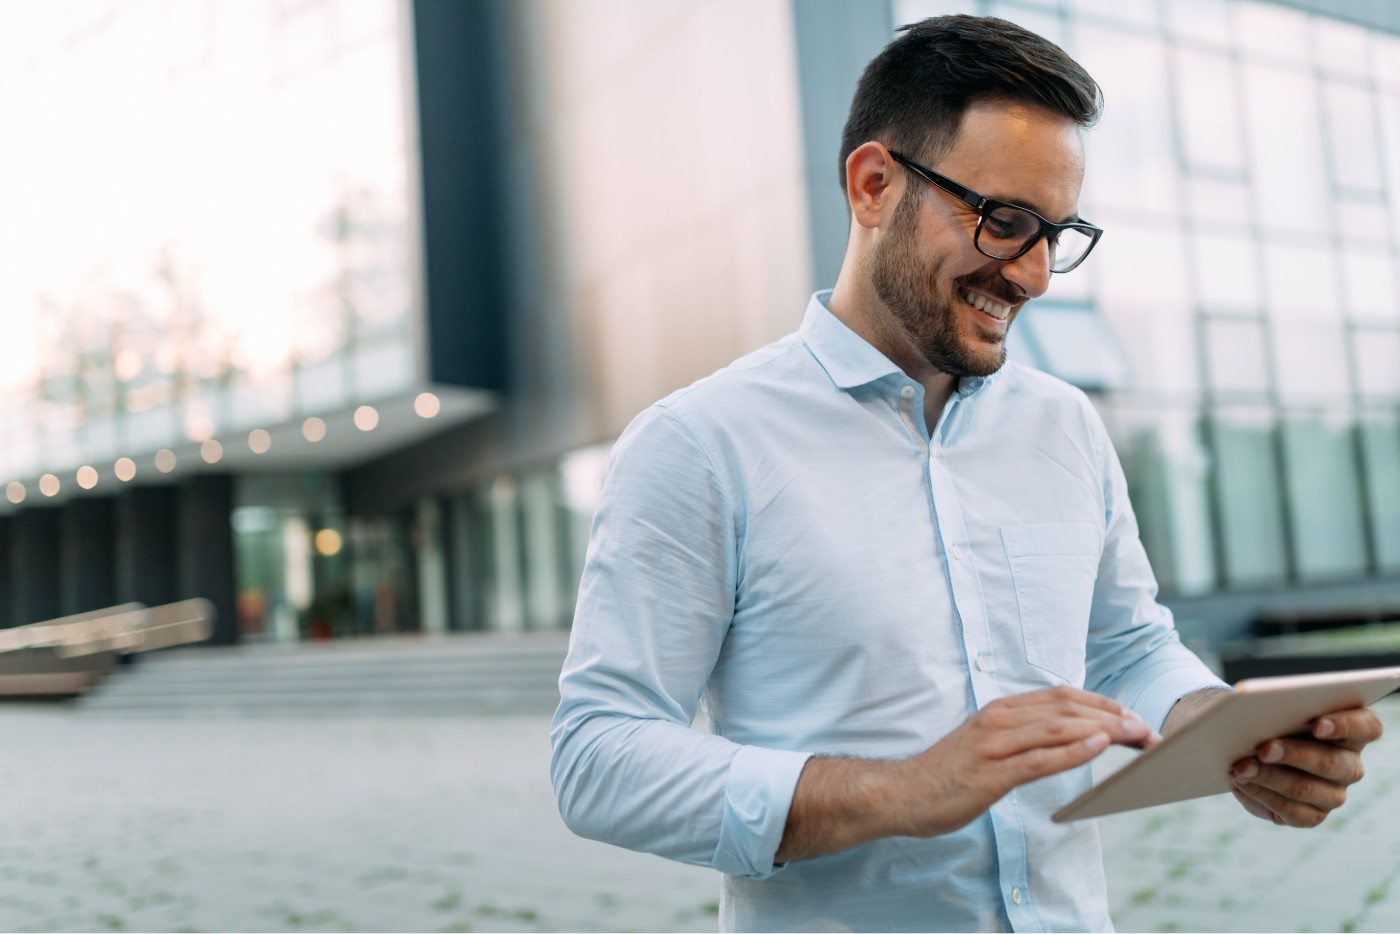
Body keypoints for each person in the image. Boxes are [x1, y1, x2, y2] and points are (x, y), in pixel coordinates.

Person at [549, 14, 1382, 932]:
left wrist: (1215, 732)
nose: (1034, 274)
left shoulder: (1065, 426)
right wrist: (903, 790)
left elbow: (1126, 643)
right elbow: (599, 757)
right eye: (1005, 221)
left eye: (1057, 234)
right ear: (873, 186)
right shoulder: (701, 444)